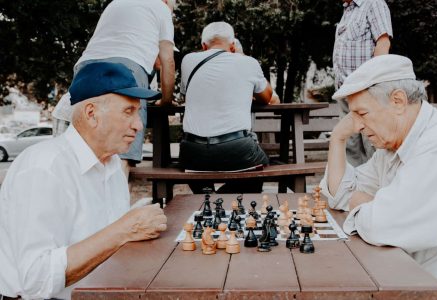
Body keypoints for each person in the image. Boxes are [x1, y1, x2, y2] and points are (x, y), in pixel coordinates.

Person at [320, 54, 437, 300]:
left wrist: (364, 203)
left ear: (398, 101)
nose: (357, 126)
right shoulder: (392, 145)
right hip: (412, 280)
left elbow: (384, 225)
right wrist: (338, 139)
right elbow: (339, 195)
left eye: (362, 113)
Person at [0, 62, 168, 299]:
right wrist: (124, 230)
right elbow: (36, 280)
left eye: (138, 112)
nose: (139, 125)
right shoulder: (44, 168)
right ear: (92, 114)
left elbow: (105, 243)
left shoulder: (111, 164)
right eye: (128, 111)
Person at [54, 0, 177, 178]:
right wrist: (166, 101)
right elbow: (168, 61)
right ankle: (116, 204)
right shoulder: (161, 8)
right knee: (122, 153)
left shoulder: (115, 3)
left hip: (86, 67)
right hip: (128, 67)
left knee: (84, 152)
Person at [178, 22, 279, 194]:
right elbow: (267, 97)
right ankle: (220, 199)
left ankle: (206, 196)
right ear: (232, 46)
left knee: (194, 164)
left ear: (203, 46)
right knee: (262, 165)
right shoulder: (248, 62)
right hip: (237, 149)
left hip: (193, 152)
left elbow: (187, 95)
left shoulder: (187, 61)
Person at [332, 0, 392, 166]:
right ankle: (354, 190)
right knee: (350, 147)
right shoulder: (348, 9)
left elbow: (383, 43)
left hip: (366, 91)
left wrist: (374, 84)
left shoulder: (374, 3)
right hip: (345, 91)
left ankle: (376, 190)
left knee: (372, 145)